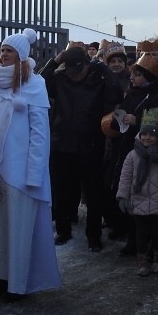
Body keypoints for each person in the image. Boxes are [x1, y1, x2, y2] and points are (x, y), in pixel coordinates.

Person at [0, 28, 61, 302]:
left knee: (18, 228)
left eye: (10, 51)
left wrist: (34, 172)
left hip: (19, 172)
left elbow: (39, 134)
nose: (4, 55)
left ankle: (18, 283)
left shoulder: (35, 85)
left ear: (21, 55)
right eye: (2, 50)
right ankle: (0, 277)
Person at [41, 45, 124, 251]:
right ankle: (63, 229)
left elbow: (116, 94)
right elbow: (39, 82)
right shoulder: (60, 80)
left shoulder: (98, 81)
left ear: (88, 65)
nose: (75, 75)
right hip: (61, 143)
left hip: (90, 143)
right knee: (60, 190)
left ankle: (93, 235)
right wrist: (55, 61)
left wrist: (104, 67)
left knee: (93, 192)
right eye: (70, 70)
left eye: (78, 70)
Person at [116, 109, 158, 276]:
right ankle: (142, 261)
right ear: (140, 135)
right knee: (141, 236)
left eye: (152, 135)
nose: (147, 138)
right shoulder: (132, 155)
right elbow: (125, 178)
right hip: (138, 203)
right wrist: (122, 196)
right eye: (144, 134)